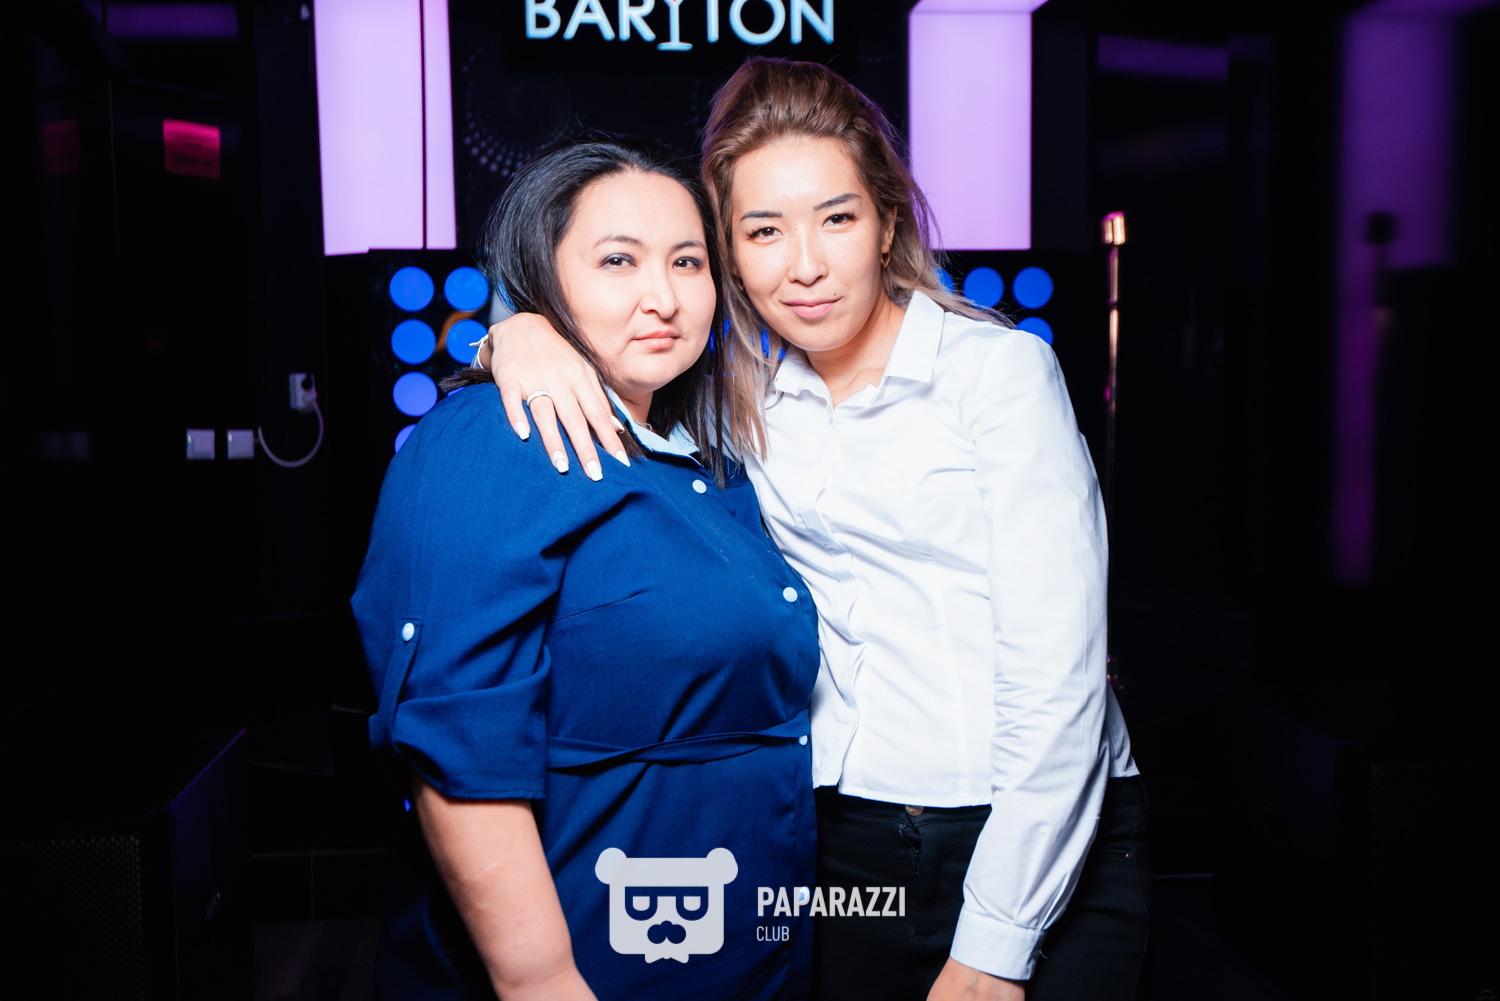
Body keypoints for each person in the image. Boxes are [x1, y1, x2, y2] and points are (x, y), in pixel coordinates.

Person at [479, 59, 1150, 1001]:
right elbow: (612, 323)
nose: (804, 264)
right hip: (837, 839)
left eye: (837, 218)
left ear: (887, 222)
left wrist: (995, 945)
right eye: (763, 230)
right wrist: (517, 329)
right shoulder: (733, 398)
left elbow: (1059, 684)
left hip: (1031, 833)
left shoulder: (997, 376)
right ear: (727, 251)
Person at [351, 136, 819, 1001]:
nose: (663, 297)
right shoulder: (494, 438)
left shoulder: (700, 457)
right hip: (593, 954)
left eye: (687, 261)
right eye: (617, 261)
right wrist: (541, 980)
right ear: (544, 280)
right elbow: (460, 746)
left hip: (728, 945)